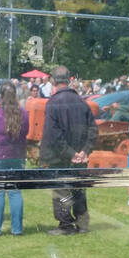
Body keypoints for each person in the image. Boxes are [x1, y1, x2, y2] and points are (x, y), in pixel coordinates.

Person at [39, 65, 97, 236]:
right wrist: (84, 151)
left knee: (62, 190)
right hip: (79, 156)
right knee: (78, 189)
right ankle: (83, 223)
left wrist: (72, 154)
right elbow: (93, 129)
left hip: (61, 157)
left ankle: (65, 225)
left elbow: (53, 135)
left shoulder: (53, 103)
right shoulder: (82, 102)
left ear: (53, 81)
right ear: (69, 79)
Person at [0, 83, 29, 236]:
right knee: (15, 192)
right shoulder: (23, 113)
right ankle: (17, 229)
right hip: (18, 156)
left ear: (0, 96)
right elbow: (26, 132)